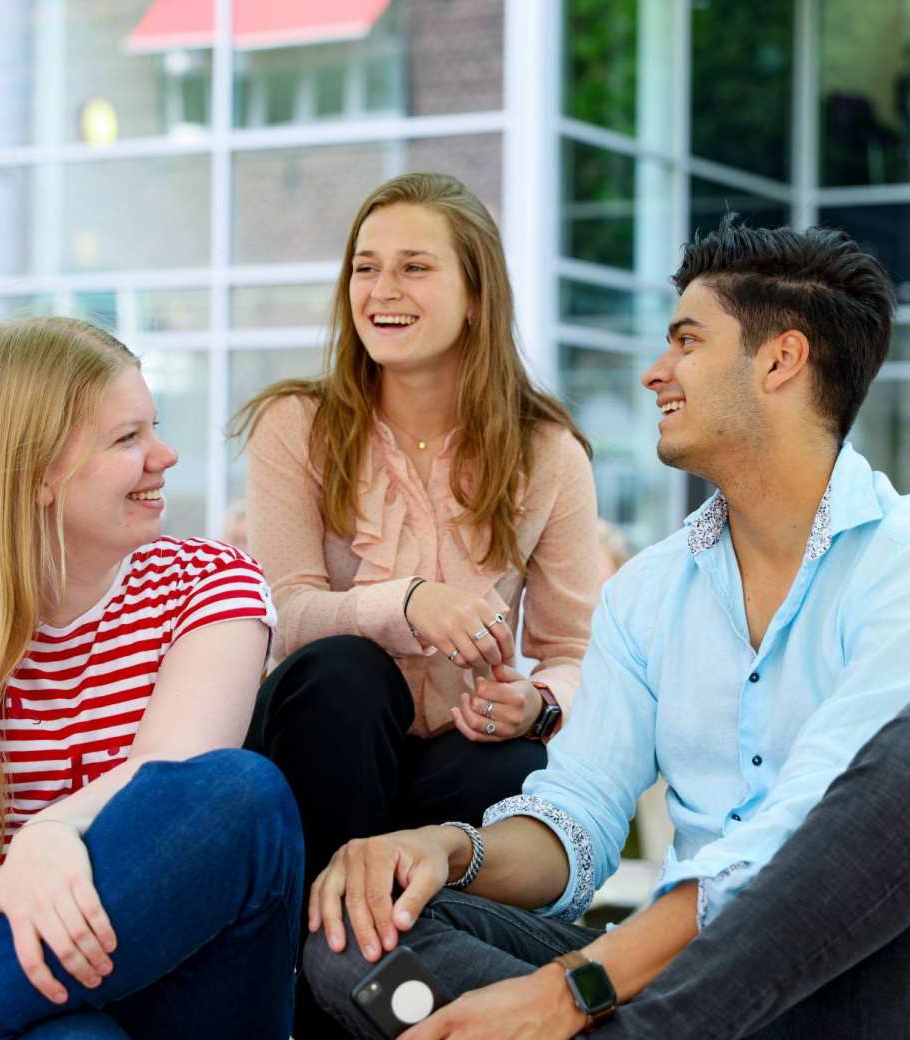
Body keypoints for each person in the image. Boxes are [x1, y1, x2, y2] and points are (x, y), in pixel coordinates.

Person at [303, 216, 910, 1038]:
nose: (654, 373)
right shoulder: (650, 593)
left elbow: (813, 834)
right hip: (664, 984)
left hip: (843, 982)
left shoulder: (904, 558)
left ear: (781, 360)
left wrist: (573, 990)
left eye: (687, 343)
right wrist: (446, 849)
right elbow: (579, 816)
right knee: (357, 930)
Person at [233, 172, 600, 1036]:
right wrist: (406, 602)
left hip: (446, 778)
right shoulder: (298, 425)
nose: (381, 291)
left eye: (413, 268)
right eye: (365, 268)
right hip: (321, 749)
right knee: (347, 673)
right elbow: (283, 611)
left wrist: (537, 702)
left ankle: (425, 1000)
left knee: (508, 765)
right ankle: (315, 994)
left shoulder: (549, 453)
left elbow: (576, 651)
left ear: (476, 295)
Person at [0, 318, 302, 1040]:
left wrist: (47, 834)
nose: (165, 457)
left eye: (154, 429)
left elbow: (167, 772)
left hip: (157, 940)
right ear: (39, 473)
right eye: (127, 439)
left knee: (245, 793)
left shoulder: (212, 582)